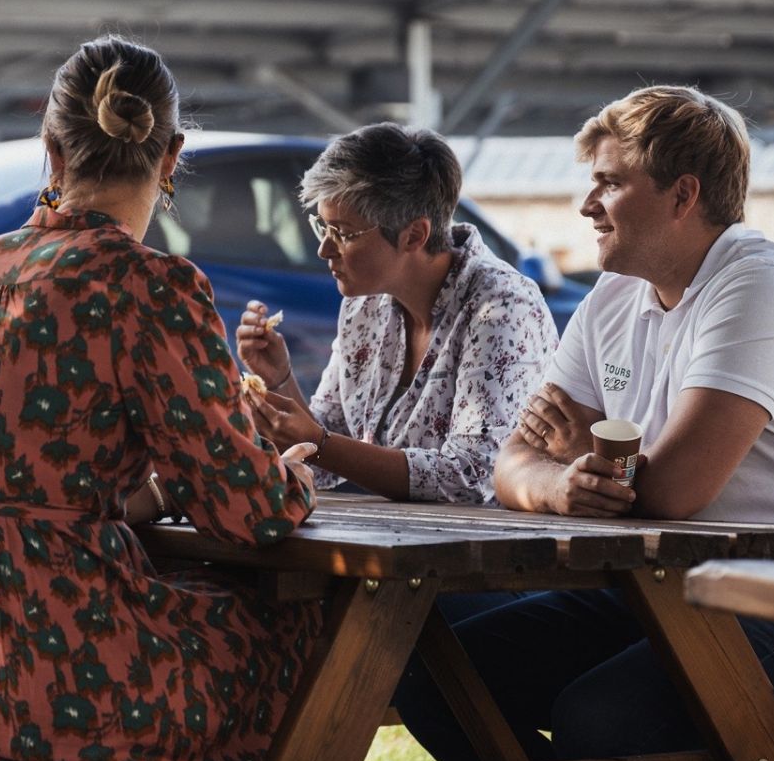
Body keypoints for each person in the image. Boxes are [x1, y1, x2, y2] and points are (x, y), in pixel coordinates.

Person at [393, 85, 774, 761]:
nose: (586, 203)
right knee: (434, 670)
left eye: (609, 183)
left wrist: (577, 458)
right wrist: (562, 483)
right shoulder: (616, 293)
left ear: (683, 194)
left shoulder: (758, 286)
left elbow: (674, 491)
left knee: (609, 717)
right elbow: (510, 465)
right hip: (666, 586)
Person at [0, 36, 321, 761]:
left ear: (50, 151)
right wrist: (294, 477)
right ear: (173, 155)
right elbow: (251, 514)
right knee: (315, 640)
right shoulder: (147, 283)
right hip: (55, 672)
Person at [234, 123, 557, 504]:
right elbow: (322, 454)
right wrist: (281, 379)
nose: (324, 249)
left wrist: (317, 442)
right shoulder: (365, 304)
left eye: (343, 233)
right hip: (400, 539)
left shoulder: (502, 309)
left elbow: (468, 478)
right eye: (323, 226)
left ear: (414, 236)